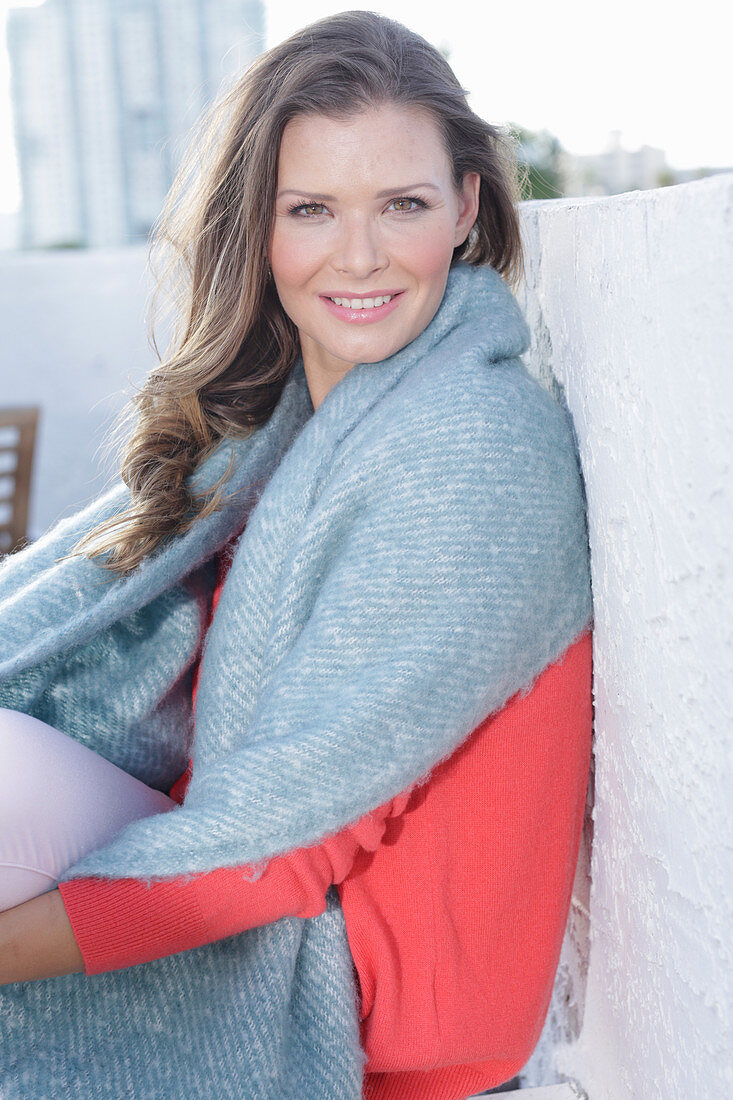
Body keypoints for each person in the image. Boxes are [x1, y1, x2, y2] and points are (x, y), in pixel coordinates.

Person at [0, 11, 593, 1100]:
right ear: (259, 227)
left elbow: (276, 846)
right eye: (310, 209)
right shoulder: (272, 430)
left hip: (360, 1005)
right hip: (239, 882)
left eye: (401, 205)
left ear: (465, 206)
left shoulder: (470, 447)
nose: (356, 256)